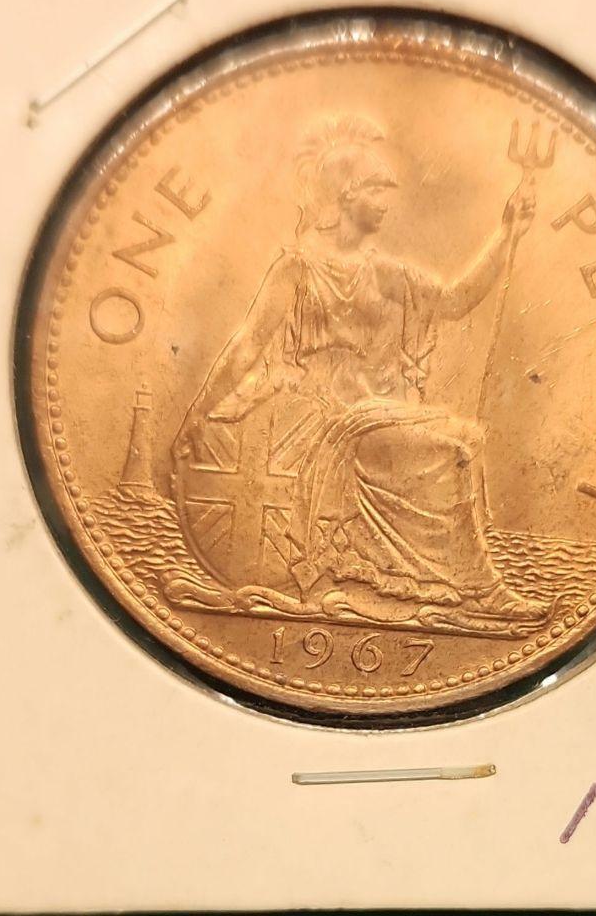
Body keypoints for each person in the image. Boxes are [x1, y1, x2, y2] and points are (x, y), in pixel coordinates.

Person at [176, 116, 547, 625]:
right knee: (451, 450)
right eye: (376, 188)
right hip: (319, 416)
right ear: (346, 194)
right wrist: (199, 412)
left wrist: (506, 234)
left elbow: (454, 300)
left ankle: (443, 579)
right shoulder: (295, 268)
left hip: (374, 410)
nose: (386, 200)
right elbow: (247, 345)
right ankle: (478, 589)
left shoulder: (382, 272)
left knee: (466, 437)